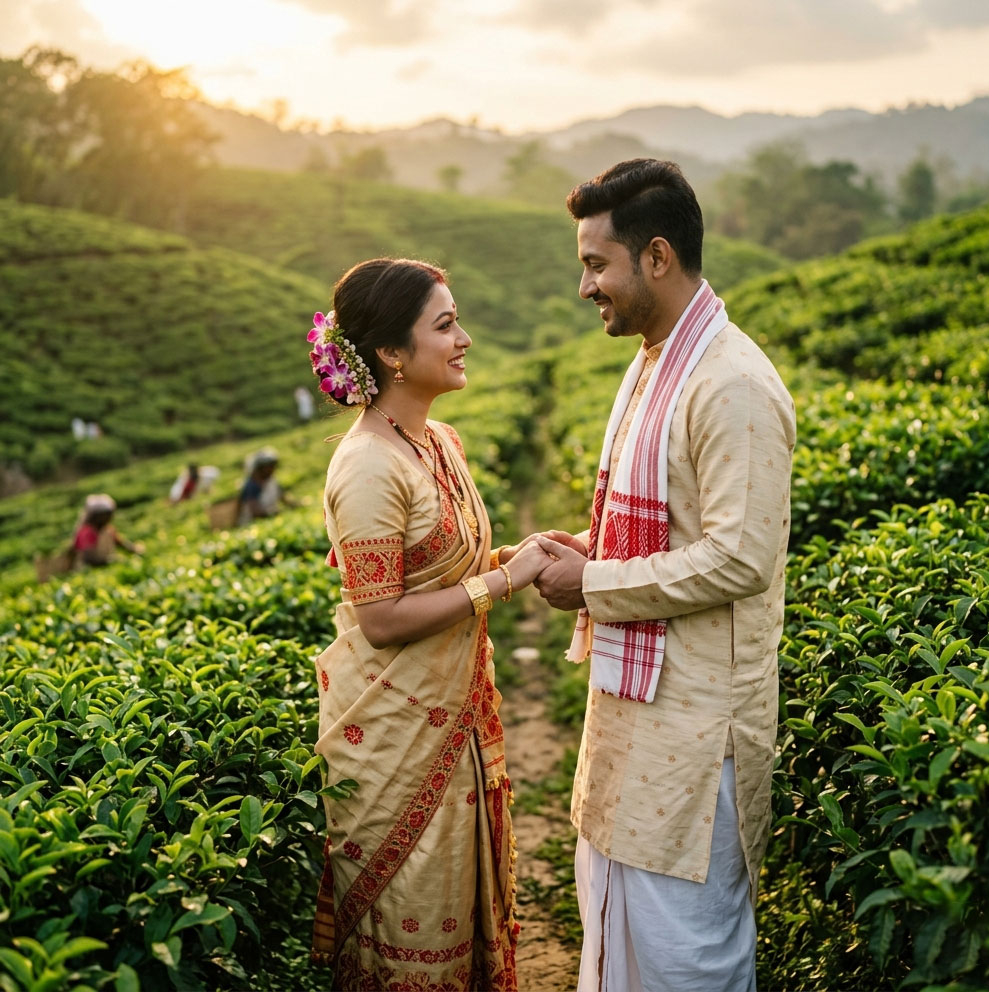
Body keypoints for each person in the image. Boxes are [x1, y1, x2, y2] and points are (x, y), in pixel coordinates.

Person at [532, 159, 796, 992]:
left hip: (694, 731)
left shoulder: (731, 384)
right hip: (635, 717)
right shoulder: (656, 363)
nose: (586, 287)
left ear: (654, 257)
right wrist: (580, 548)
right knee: (624, 936)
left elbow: (740, 556)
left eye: (596, 265)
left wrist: (594, 582)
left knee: (686, 955)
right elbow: (664, 524)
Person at [307, 257, 550, 991]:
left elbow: (451, 570)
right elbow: (381, 618)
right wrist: (507, 581)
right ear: (390, 354)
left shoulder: (440, 444)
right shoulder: (368, 468)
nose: (464, 338)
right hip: (397, 741)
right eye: (445, 326)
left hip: (457, 725)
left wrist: (531, 553)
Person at [70, 493, 144, 567]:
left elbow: (120, 543)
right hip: (88, 571)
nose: (108, 517)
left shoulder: (108, 529)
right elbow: (89, 559)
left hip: (104, 567)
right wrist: (112, 560)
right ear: (95, 516)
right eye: (105, 515)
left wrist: (134, 549)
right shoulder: (87, 532)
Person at [236, 449, 283, 524]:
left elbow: (283, 497)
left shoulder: (271, 481)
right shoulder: (252, 485)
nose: (272, 469)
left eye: (273, 466)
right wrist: (274, 512)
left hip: (269, 520)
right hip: (251, 525)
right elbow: (255, 512)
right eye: (268, 467)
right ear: (260, 468)